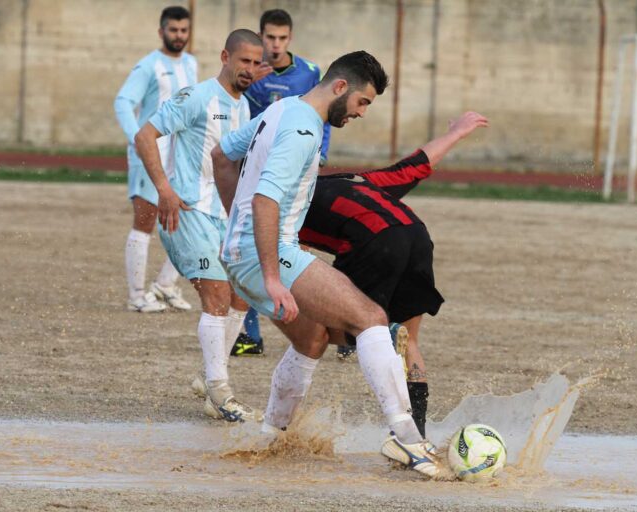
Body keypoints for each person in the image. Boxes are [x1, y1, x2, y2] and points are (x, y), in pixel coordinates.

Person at [212, 51, 442, 478]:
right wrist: (270, 276)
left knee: (313, 340)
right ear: (340, 87)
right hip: (268, 254)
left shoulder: (283, 108)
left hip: (244, 252)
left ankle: (272, 438)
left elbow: (222, 156)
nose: (361, 112)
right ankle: (407, 440)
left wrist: (236, 232)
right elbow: (265, 199)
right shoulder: (302, 129)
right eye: (362, 102)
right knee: (371, 318)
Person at [298, 111, 489, 437]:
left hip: (374, 243)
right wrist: (456, 133)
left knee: (338, 330)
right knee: (410, 342)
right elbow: (417, 164)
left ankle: (386, 331)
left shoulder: (285, 201)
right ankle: (417, 436)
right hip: (417, 236)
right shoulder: (356, 181)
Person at [134, 29, 265, 422]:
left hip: (224, 218)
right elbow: (145, 135)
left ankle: (210, 379)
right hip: (187, 212)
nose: (251, 69)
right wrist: (163, 189)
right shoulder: (197, 97)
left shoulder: (246, 108)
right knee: (218, 296)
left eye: (257, 63)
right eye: (244, 60)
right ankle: (220, 393)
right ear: (225, 56)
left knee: (244, 295)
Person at [233, 8, 332, 357]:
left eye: (281, 38)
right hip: (256, 166)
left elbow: (326, 115)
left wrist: (320, 152)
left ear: (289, 38)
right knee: (246, 245)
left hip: (295, 169)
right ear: (261, 36)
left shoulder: (309, 73)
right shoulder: (250, 71)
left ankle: (335, 322)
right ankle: (248, 334)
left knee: (294, 242)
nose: (275, 45)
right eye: (269, 38)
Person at [114, 6, 197, 313]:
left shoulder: (191, 63)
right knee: (145, 222)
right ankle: (137, 296)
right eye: (173, 30)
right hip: (148, 154)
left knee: (188, 219)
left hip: (180, 156)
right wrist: (137, 138)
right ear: (161, 32)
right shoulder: (148, 66)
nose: (179, 36)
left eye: (184, 30)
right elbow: (123, 102)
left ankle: (165, 285)